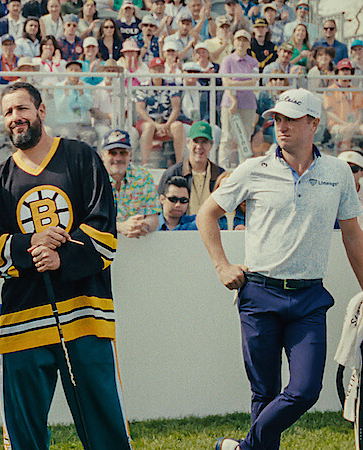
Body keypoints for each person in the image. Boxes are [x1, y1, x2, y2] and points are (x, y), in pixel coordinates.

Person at [197, 88, 363, 450]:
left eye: (291, 118)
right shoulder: (253, 169)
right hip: (258, 294)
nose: (281, 125)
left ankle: (243, 448)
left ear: (314, 123)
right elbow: (206, 214)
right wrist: (221, 265)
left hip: (309, 298)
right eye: (277, 118)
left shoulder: (337, 173)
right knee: (264, 391)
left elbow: (352, 235)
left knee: (305, 390)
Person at [0, 82, 130, 450]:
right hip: (23, 323)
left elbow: (105, 233)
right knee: (22, 434)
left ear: (41, 111)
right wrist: (32, 244)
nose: (16, 118)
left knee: (105, 427)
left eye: (22, 109)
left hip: (85, 316)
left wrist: (61, 258)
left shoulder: (81, 157)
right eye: (8, 113)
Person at [102, 129, 160, 237]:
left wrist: (143, 226)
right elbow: (89, 221)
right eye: (112, 153)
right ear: (103, 155)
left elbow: (153, 217)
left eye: (123, 152)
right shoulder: (94, 180)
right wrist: (120, 227)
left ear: (130, 155)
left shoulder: (143, 177)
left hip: (136, 244)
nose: (118, 158)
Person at [157, 121, 225, 214]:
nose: (199, 147)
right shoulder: (173, 173)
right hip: (182, 228)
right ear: (188, 143)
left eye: (204, 142)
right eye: (195, 141)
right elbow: (159, 207)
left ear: (211, 145)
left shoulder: (220, 175)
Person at [135, 56, 185, 167]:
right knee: (148, 127)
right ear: (150, 70)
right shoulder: (143, 87)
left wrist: (166, 125)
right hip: (148, 122)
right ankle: (145, 164)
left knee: (177, 126)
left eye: (160, 69)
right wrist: (156, 125)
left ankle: (179, 163)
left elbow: (176, 108)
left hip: (167, 122)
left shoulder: (171, 85)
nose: (157, 72)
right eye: (154, 69)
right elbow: (140, 110)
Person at [218, 30, 257, 168]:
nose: (241, 43)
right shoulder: (227, 60)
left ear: (248, 43)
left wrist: (234, 82)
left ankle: (244, 168)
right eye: (238, 40)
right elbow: (225, 82)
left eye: (244, 40)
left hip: (248, 103)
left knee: (245, 137)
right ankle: (222, 167)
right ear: (234, 42)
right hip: (229, 102)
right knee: (227, 136)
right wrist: (234, 99)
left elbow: (254, 82)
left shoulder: (253, 61)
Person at [324, 59, 363, 152]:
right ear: (337, 73)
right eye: (343, 70)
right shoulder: (330, 90)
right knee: (346, 130)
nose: (345, 73)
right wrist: (345, 124)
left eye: (347, 70)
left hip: (354, 123)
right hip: (337, 124)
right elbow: (330, 112)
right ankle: (345, 156)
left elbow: (360, 110)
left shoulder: (356, 90)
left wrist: (356, 123)